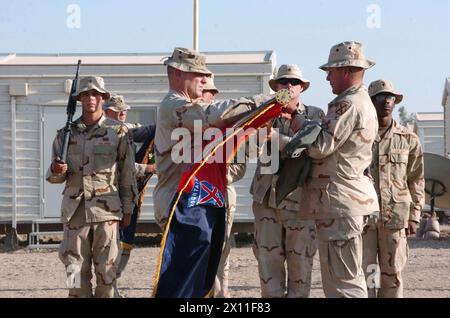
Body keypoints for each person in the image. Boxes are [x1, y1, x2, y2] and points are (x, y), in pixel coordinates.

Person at [295, 41, 379, 298]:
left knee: (344, 284)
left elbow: (320, 146)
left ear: (345, 70)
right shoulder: (358, 102)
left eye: (331, 71)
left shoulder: (346, 104)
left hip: (340, 204)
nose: (328, 77)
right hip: (343, 203)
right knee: (340, 279)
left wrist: (296, 125)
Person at [153, 47, 268, 230]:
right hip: (178, 204)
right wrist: (262, 102)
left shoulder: (187, 109)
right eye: (197, 74)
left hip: (193, 203)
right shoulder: (172, 105)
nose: (205, 80)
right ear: (177, 73)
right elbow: (210, 114)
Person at [46, 76, 137, 298]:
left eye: (95, 94)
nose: (91, 99)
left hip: (107, 214)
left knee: (107, 275)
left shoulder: (119, 132)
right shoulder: (65, 134)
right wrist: (57, 170)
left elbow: (128, 175)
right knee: (74, 275)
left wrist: (128, 209)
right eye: (86, 95)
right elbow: (54, 177)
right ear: (79, 99)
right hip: (74, 215)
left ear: (103, 98)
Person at [250, 64, 323, 298]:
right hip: (266, 200)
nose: (288, 86)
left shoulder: (314, 115)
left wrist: (276, 138)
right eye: (283, 82)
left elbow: (308, 147)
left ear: (302, 87)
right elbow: (249, 148)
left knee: (300, 267)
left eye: (293, 82)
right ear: (276, 87)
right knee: (268, 267)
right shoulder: (264, 115)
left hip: (299, 203)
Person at [363, 79, 425, 297]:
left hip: (396, 218)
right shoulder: (360, 136)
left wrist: (415, 215)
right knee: (368, 274)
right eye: (381, 97)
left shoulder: (408, 139)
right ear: (371, 102)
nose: (386, 101)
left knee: (393, 274)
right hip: (366, 220)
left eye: (390, 97)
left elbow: (416, 178)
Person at [103, 95, 156, 296]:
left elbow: (147, 131)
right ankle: (108, 288)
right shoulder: (105, 131)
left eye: (124, 109)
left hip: (128, 197)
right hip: (110, 197)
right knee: (111, 247)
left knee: (125, 245)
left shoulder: (124, 129)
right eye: (118, 110)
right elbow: (118, 165)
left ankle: (112, 286)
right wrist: (148, 168)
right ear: (107, 111)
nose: (123, 113)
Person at [200, 76, 247, 298]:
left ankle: (221, 296)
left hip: (222, 195)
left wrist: (214, 173)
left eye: (207, 92)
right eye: (200, 92)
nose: (203, 96)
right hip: (194, 197)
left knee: (221, 252)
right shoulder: (191, 126)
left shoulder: (230, 128)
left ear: (213, 96)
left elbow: (240, 168)